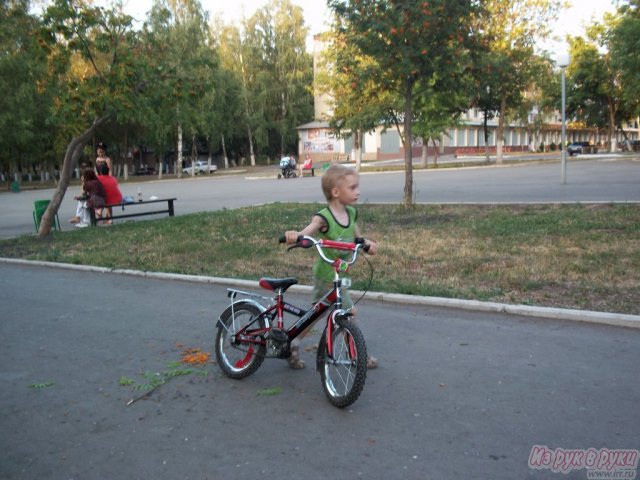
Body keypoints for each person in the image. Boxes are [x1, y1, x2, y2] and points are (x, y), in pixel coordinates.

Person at [284, 163, 378, 369]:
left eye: (357, 187)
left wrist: (367, 244)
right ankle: (356, 356)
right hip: (326, 275)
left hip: (339, 275)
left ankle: (294, 341)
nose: (358, 191)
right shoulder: (324, 217)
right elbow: (308, 231)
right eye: (352, 187)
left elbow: (358, 238)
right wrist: (296, 236)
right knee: (348, 312)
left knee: (315, 315)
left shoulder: (351, 214)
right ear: (336, 192)